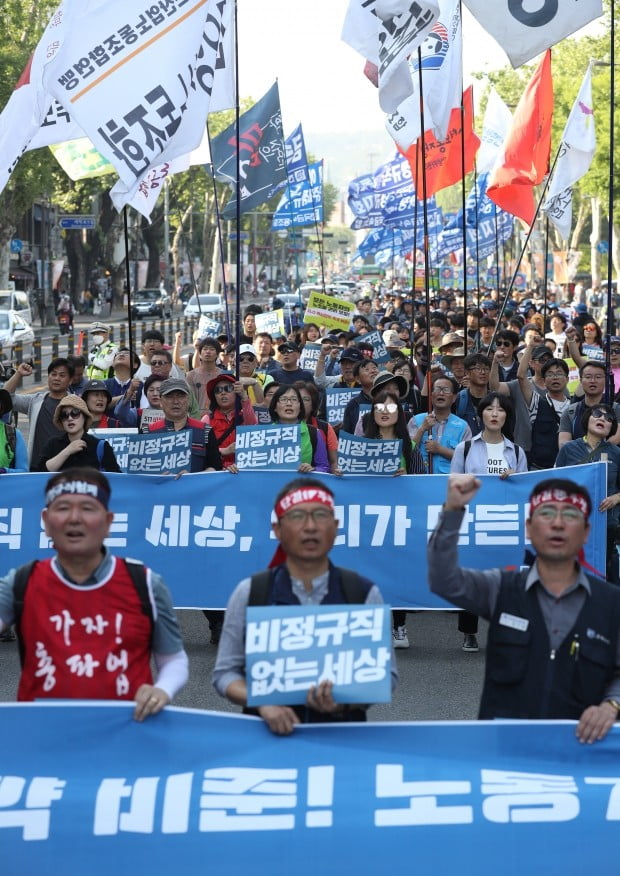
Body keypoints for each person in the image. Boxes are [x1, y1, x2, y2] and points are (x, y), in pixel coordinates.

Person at [428, 474, 620, 743]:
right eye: (547, 513)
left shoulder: (611, 603)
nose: (557, 523)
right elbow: (443, 580)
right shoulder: (501, 587)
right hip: (505, 757)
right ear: (528, 528)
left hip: (581, 756)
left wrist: (611, 705)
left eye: (570, 515)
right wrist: (452, 510)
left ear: (586, 532)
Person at [213, 478, 398, 735]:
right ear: (277, 529)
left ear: (335, 527)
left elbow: (386, 677)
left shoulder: (363, 593)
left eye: (320, 515)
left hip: (342, 741)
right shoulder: (251, 593)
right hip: (265, 741)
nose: (310, 527)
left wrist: (344, 701)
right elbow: (225, 674)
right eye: (297, 516)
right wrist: (262, 702)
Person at [0, 468, 188, 719]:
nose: (74, 518)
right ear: (45, 521)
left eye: (88, 508)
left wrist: (162, 690)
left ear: (109, 522)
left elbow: (173, 659)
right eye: (63, 508)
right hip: (41, 740)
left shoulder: (145, 583)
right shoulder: (21, 582)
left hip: (124, 737)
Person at [449, 392, 528, 654]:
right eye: (489, 409)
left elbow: (525, 490)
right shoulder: (466, 448)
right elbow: (453, 483)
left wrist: (515, 477)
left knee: (506, 577)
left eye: (500, 410)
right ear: (481, 414)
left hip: (504, 522)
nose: (495, 414)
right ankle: (469, 632)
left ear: (507, 416)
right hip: (473, 521)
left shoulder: (516, 451)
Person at [556, 403, 620, 584]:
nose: (602, 419)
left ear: (611, 428)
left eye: (609, 419)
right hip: (572, 526)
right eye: (598, 414)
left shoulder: (617, 453)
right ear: (587, 419)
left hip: (605, 526)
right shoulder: (568, 449)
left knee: (606, 582)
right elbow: (553, 482)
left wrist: (616, 498)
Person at [4, 358, 74, 467]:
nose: (56, 378)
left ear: (70, 380)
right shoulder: (35, 400)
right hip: (37, 467)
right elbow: (6, 397)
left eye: (62, 375)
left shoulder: (76, 404)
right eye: (53, 374)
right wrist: (18, 374)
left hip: (67, 467)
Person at [148, 378, 223, 473]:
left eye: (180, 396)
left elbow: (216, 467)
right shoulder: (148, 432)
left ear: (188, 400)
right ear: (161, 401)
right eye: (169, 396)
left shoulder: (205, 431)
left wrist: (192, 477)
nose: (175, 401)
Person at [35, 395, 121, 473]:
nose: (70, 418)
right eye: (64, 415)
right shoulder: (52, 444)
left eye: (75, 413)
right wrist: (67, 451)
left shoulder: (100, 446)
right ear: (61, 420)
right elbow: (41, 473)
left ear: (85, 417)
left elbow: (116, 478)